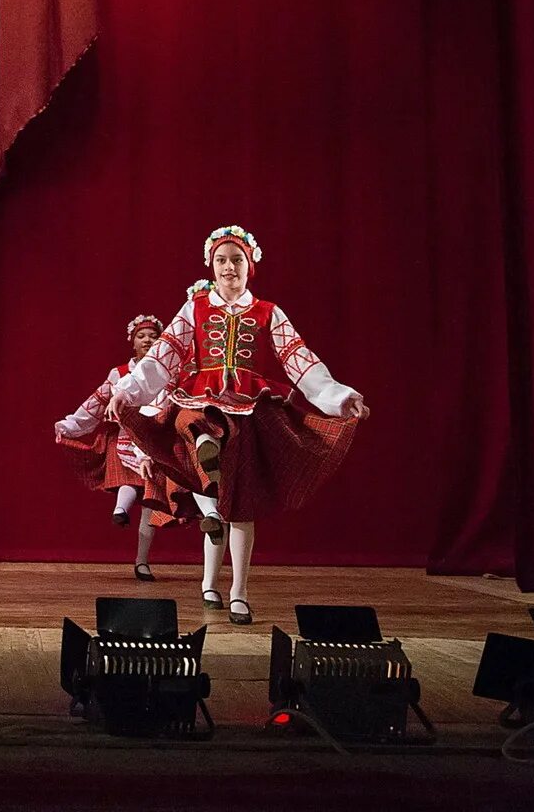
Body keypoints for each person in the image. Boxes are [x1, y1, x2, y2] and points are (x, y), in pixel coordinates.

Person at [108, 226, 370, 625]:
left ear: (250, 264)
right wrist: (128, 390)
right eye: (221, 260)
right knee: (193, 420)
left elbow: (299, 357)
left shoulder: (267, 312)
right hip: (201, 398)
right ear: (210, 266)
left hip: (247, 408)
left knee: (241, 509)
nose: (229, 267)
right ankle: (205, 460)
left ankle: (238, 592)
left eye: (236, 260)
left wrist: (339, 396)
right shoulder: (194, 308)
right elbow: (163, 356)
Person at [55, 314, 189, 581]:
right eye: (141, 336)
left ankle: (142, 561)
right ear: (132, 341)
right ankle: (121, 510)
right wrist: (70, 425)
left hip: (154, 442)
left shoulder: (169, 374)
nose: (147, 340)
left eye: (153, 336)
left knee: (151, 501)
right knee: (126, 468)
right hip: (126, 436)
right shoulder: (120, 373)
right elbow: (98, 401)